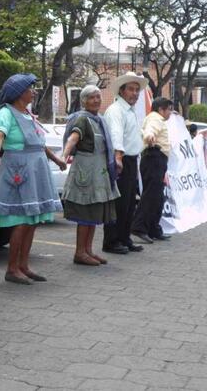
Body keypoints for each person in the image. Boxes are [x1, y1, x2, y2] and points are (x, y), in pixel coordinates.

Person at [0, 74, 66, 284]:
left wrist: (56, 160)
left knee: (32, 221)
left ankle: (23, 265)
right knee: (21, 221)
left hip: (35, 169)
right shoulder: (6, 113)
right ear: (19, 92)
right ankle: (12, 268)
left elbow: (38, 143)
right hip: (19, 171)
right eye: (30, 88)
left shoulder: (27, 113)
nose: (34, 91)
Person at [61, 85, 120, 266]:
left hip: (98, 172)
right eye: (92, 98)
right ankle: (80, 252)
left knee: (94, 213)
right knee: (85, 214)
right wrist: (63, 155)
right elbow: (73, 138)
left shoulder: (99, 120)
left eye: (98, 97)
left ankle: (88, 250)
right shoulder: (82, 119)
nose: (96, 100)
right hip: (85, 172)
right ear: (84, 101)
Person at [102, 72, 147, 254]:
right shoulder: (116, 110)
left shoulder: (129, 110)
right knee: (119, 203)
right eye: (131, 89)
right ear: (122, 91)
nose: (135, 93)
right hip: (121, 159)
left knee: (129, 203)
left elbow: (132, 136)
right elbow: (116, 135)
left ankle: (124, 237)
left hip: (130, 159)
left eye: (137, 90)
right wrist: (118, 158)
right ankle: (111, 241)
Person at [131, 97, 174, 243]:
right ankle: (139, 227)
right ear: (161, 109)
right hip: (154, 157)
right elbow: (150, 131)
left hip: (157, 159)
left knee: (158, 197)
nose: (170, 113)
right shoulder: (155, 118)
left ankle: (153, 228)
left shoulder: (156, 119)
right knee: (151, 195)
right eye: (169, 109)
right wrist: (149, 136)